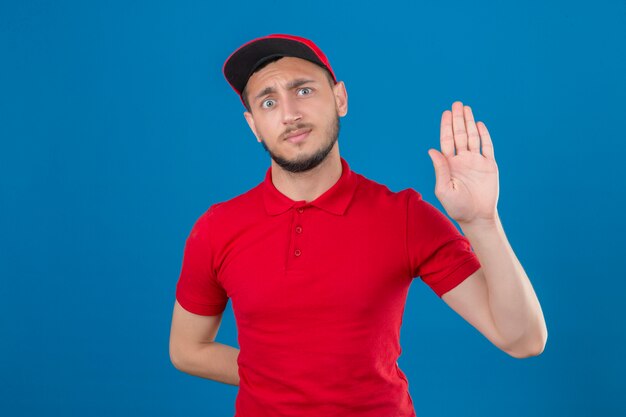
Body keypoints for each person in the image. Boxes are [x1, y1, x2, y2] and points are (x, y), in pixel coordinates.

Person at [169, 34, 548, 417]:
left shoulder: (404, 216)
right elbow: (187, 349)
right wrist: (278, 376)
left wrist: (481, 221)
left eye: (303, 90)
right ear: (254, 125)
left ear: (340, 98)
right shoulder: (217, 228)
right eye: (268, 101)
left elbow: (522, 339)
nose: (289, 114)